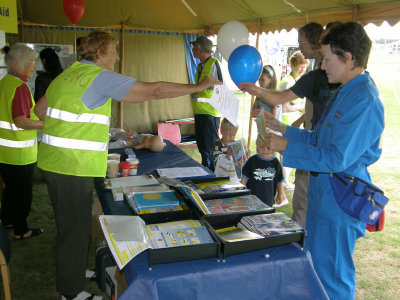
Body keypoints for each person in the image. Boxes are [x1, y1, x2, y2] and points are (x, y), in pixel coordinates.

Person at [34, 30, 220, 300]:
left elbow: (41, 111)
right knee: (73, 230)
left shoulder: (68, 73)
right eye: (113, 51)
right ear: (99, 54)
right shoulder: (98, 77)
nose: (117, 56)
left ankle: (71, 274)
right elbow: (152, 91)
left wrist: (67, 126)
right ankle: (71, 293)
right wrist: (197, 87)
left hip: (55, 162)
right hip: (71, 166)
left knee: (70, 224)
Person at [260, 22, 384, 300]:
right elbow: (319, 139)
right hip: (324, 196)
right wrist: (285, 131)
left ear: (348, 58)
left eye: (327, 59)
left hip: (340, 200)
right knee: (315, 268)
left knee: (333, 277)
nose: (323, 66)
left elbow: (336, 158)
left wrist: (286, 147)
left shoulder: (364, 99)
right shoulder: (345, 90)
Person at [239, 22, 341, 229]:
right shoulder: (315, 77)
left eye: (302, 42)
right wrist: (282, 127)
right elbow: (314, 136)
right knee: (304, 203)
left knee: (324, 219)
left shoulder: (358, 96)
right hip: (315, 153)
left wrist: (285, 139)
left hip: (335, 179)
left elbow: (336, 156)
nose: (300, 48)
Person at [0, 44, 44, 240]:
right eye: (31, 62)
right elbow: (21, 120)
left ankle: (8, 219)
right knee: (22, 195)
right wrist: (44, 124)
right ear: (17, 63)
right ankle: (21, 230)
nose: (34, 66)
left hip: (4, 152)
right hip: (19, 154)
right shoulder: (20, 87)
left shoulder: (4, 83)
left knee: (10, 190)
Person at [191, 36, 223, 171]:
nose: (192, 49)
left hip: (210, 113)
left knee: (211, 147)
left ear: (201, 50)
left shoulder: (214, 63)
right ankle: (206, 170)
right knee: (202, 146)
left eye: (194, 47)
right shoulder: (200, 65)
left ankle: (216, 172)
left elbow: (221, 84)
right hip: (200, 112)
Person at [278, 51, 308, 191]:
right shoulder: (287, 82)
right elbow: (284, 108)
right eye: (299, 67)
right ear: (292, 66)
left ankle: (284, 180)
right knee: (286, 153)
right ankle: (283, 181)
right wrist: (300, 108)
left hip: (293, 124)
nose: (302, 70)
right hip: (286, 123)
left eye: (304, 67)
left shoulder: (297, 81)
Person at [241, 135, 286, 208]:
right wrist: (240, 193)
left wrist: (281, 194)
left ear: (273, 147)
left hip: (268, 201)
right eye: (262, 146)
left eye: (268, 147)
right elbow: (244, 180)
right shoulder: (252, 161)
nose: (265, 150)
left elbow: (279, 180)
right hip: (251, 200)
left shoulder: (276, 162)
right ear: (257, 146)